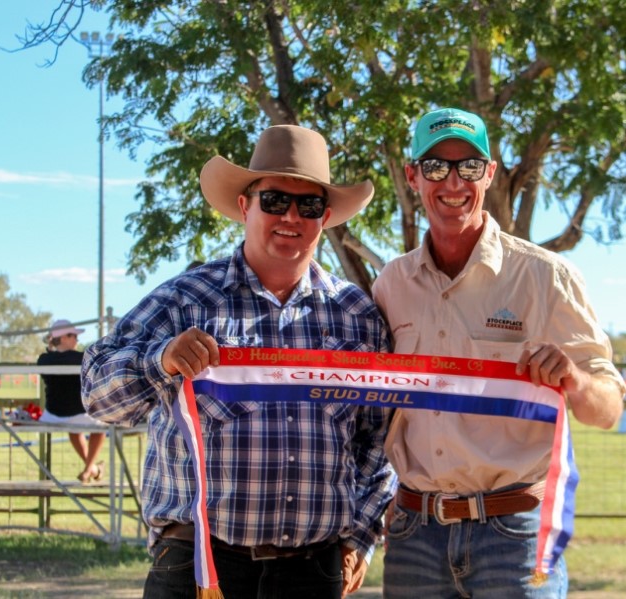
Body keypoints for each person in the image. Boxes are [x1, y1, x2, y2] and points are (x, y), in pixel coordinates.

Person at [81, 124, 395, 599]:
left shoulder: (357, 316)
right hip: (197, 567)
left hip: (313, 570)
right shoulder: (184, 300)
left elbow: (381, 437)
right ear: (246, 206)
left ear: (325, 217)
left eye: (307, 205)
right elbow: (97, 395)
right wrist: (159, 360)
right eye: (274, 200)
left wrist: (361, 537)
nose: (290, 216)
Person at [371, 107, 626, 598]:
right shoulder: (392, 283)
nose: (453, 181)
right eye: (436, 166)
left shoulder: (545, 276)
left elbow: (609, 408)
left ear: (489, 174)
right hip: (413, 534)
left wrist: (574, 378)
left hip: (512, 535)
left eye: (469, 166)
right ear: (412, 176)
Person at [37, 319, 106, 484]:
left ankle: (92, 469)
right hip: (80, 413)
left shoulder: (44, 359)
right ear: (63, 338)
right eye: (74, 336)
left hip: (52, 415)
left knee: (74, 429)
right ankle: (90, 468)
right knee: (101, 428)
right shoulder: (83, 357)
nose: (77, 340)